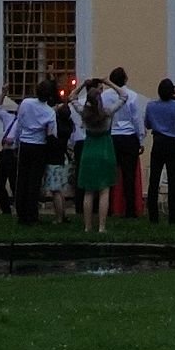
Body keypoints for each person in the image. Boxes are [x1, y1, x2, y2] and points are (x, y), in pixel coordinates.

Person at [10, 80, 59, 224]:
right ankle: (32, 214)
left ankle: (21, 213)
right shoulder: (49, 112)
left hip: (25, 143)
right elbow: (52, 133)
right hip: (39, 146)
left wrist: (16, 143)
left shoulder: (26, 103)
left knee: (22, 180)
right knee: (34, 182)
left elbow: (19, 123)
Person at [74, 82, 118, 235]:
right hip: (105, 149)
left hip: (89, 149)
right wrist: (109, 83)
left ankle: (87, 227)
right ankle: (101, 227)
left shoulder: (84, 113)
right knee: (104, 190)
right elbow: (124, 97)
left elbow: (72, 97)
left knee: (88, 191)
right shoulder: (107, 113)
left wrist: (82, 85)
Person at [144, 77, 175, 220]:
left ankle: (153, 215)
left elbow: (148, 124)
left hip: (159, 142)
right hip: (174, 143)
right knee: (173, 181)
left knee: (154, 180)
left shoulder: (151, 106)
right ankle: (174, 216)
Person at [104, 65, 144, 217]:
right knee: (129, 175)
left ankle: (107, 207)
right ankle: (130, 210)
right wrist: (140, 139)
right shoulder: (132, 96)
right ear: (125, 79)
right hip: (128, 136)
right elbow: (136, 118)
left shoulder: (104, 96)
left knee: (109, 174)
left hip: (111, 135)